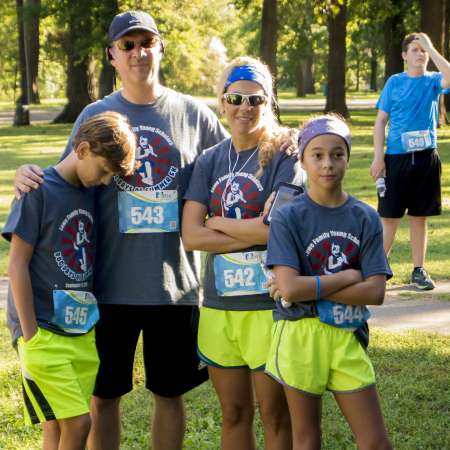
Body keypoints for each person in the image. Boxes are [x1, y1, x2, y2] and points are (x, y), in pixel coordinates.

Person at [14, 10, 229, 450]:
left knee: (170, 395)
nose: (138, 53)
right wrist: (26, 174)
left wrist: (280, 141)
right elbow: (65, 178)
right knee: (102, 399)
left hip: (175, 285)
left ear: (160, 48)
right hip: (106, 288)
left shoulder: (194, 115)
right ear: (112, 55)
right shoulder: (95, 115)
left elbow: (235, 162)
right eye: (127, 45)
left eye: (146, 43)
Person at [182, 56, 301, 450]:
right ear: (222, 102)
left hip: (268, 308)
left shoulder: (286, 154)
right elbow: (191, 236)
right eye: (236, 98)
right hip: (219, 309)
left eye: (256, 100)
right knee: (233, 414)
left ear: (269, 101)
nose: (245, 108)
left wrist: (217, 222)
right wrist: (254, 233)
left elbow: (278, 230)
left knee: (275, 415)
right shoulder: (210, 160)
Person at [3, 112, 136, 450]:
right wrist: (30, 335)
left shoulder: (90, 190)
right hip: (43, 331)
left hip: (80, 331)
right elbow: (17, 263)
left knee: (57, 427)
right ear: (81, 150)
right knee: (80, 424)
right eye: (104, 170)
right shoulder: (37, 190)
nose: (106, 181)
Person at [265, 115, 393, 450]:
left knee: (376, 441)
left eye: (337, 154)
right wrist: (349, 276)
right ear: (303, 161)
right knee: (306, 440)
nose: (328, 164)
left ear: (348, 157)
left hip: (347, 335)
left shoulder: (364, 216)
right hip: (299, 334)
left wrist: (311, 284)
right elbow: (289, 288)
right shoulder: (288, 216)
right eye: (317, 155)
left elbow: (376, 291)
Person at [371, 32, 450, 290]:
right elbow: (381, 121)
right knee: (390, 216)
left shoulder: (434, 81)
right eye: (415, 49)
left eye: (423, 50)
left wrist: (432, 47)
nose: (420, 54)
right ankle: (379, 270)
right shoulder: (395, 82)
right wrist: (378, 158)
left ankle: (419, 270)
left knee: (420, 216)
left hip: (427, 158)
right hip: (396, 159)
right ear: (404, 56)